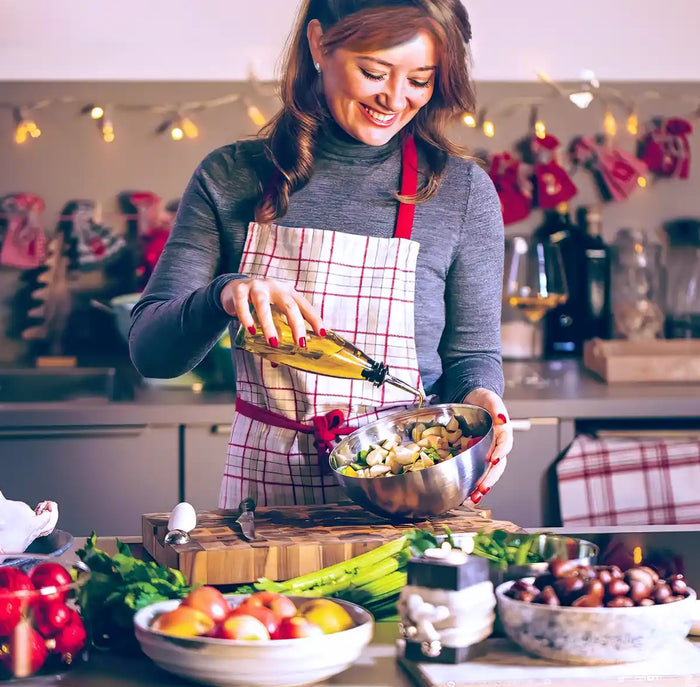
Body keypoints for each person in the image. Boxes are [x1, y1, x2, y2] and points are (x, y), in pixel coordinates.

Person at [129, 0, 514, 509]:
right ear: (318, 44)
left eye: (420, 80)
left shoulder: (461, 191)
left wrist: (484, 400)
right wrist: (224, 294)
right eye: (374, 72)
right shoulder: (231, 177)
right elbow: (150, 354)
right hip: (266, 510)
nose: (394, 99)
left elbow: (470, 358)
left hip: (413, 498)